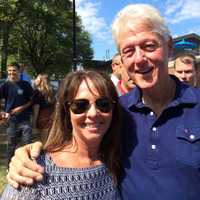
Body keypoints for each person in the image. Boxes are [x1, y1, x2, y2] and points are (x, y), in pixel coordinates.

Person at [6, 4, 200, 200]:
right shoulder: (117, 111)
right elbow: (79, 144)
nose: (139, 59)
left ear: (168, 47)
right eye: (129, 51)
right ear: (122, 59)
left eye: (149, 46)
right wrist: (28, 153)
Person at [1, 70, 122, 199]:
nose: (93, 113)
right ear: (66, 111)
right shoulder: (34, 171)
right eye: (80, 105)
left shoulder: (115, 160)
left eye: (104, 104)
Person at [0, 62, 33, 167]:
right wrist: (2, 113)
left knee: (27, 144)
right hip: (11, 121)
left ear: (19, 71)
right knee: (11, 145)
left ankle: (27, 166)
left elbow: (32, 101)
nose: (11, 73)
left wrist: (21, 108)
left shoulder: (26, 85)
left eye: (14, 70)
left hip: (25, 120)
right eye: (9, 71)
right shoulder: (5, 85)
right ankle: (9, 167)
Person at [32, 74, 56, 140]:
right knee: (49, 140)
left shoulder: (37, 92)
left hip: (41, 118)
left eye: (36, 79)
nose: (34, 80)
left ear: (40, 81)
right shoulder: (52, 91)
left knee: (41, 142)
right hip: (51, 117)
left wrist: (34, 124)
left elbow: (36, 109)